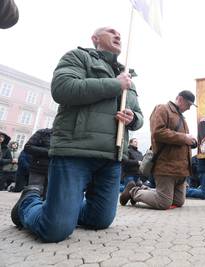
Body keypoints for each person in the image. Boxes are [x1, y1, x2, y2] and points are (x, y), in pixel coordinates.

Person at [10, 27, 144, 243]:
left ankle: (60, 207)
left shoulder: (128, 79)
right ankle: (30, 200)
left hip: (111, 158)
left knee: (99, 220)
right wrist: (115, 84)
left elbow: (139, 115)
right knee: (54, 230)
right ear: (95, 39)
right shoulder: (78, 57)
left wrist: (133, 118)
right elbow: (62, 88)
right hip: (75, 151)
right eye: (110, 32)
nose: (118, 35)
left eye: (119, 33)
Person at [120, 90, 197, 210]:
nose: (189, 108)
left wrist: (191, 141)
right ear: (180, 99)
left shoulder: (182, 117)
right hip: (166, 166)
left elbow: (181, 140)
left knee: (179, 201)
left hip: (180, 169)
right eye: (188, 104)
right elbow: (158, 133)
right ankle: (134, 191)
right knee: (163, 203)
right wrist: (184, 137)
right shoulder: (162, 109)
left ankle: (143, 189)